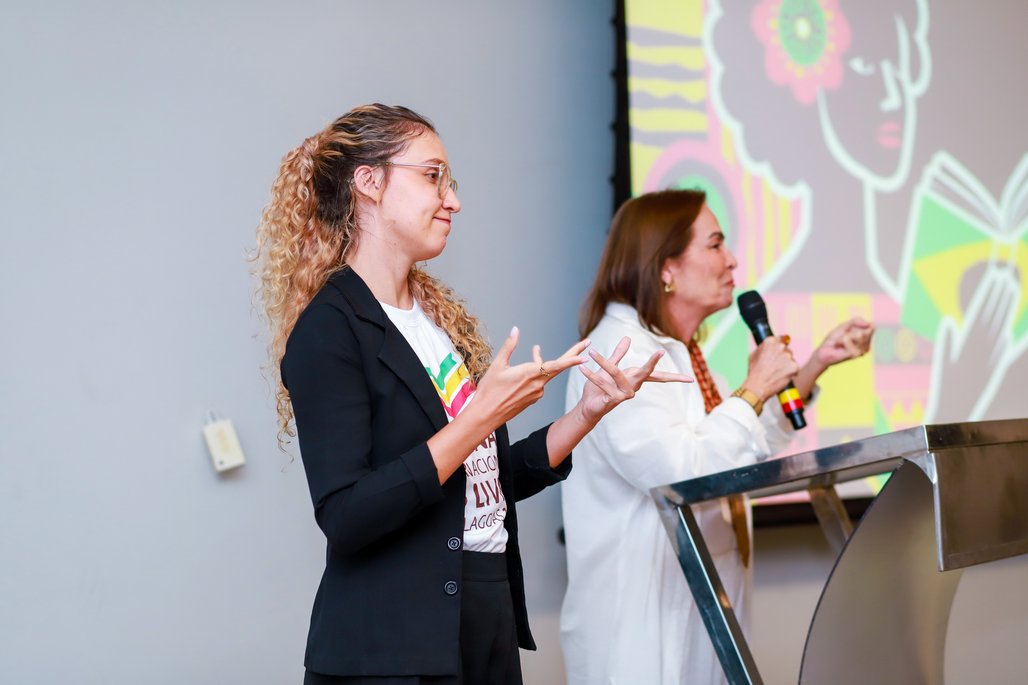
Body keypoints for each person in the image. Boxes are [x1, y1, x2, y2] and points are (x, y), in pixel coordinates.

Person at [254, 104, 688, 685]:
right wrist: (479, 415)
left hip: (482, 615)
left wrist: (588, 412)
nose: (452, 199)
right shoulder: (330, 327)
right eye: (432, 176)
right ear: (369, 183)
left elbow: (479, 483)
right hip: (392, 648)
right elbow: (347, 514)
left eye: (449, 181)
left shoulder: (435, 321)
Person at [560, 189, 873, 685]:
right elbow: (681, 472)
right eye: (715, 245)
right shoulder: (618, 353)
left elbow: (741, 448)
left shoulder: (680, 351)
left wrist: (813, 366)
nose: (732, 261)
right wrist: (752, 389)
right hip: (643, 622)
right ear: (665, 267)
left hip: (699, 602)